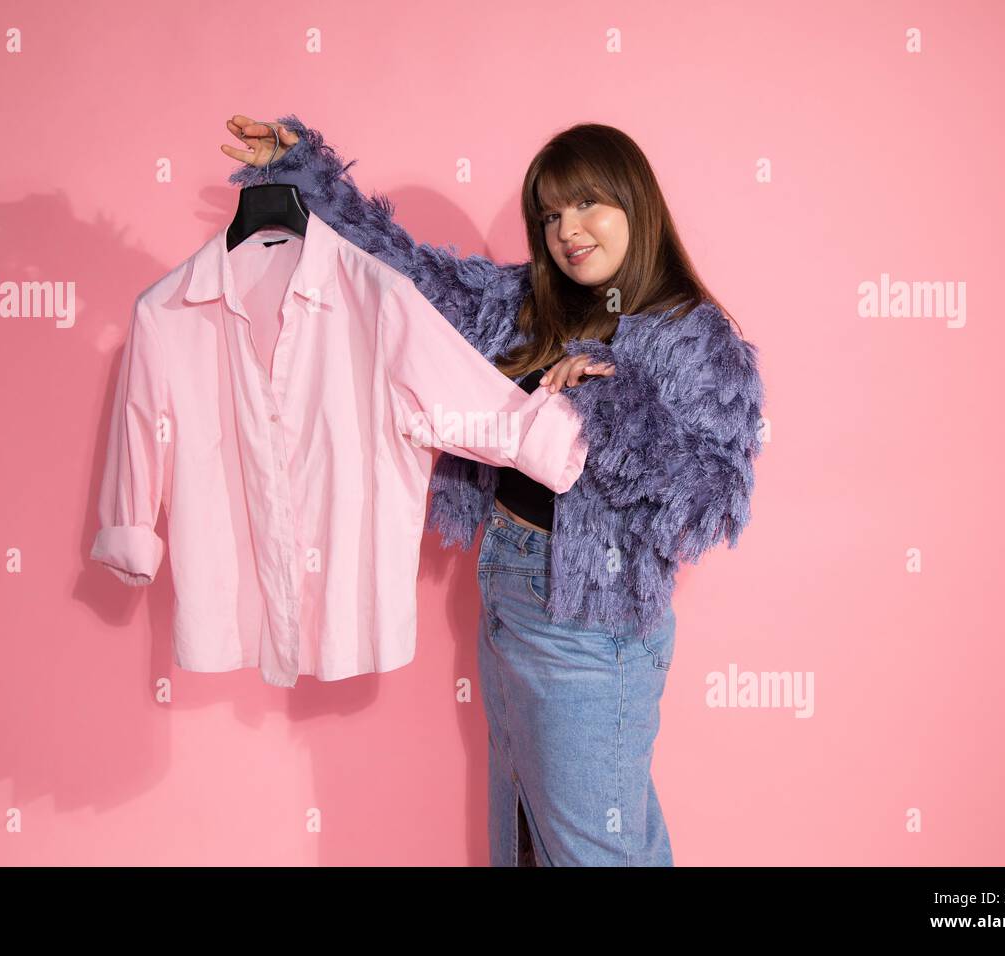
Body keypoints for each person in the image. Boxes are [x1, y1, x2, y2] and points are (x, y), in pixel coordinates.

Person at [220, 115, 766, 866]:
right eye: (548, 215)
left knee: (593, 851)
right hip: (506, 590)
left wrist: (616, 403)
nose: (566, 230)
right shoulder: (530, 302)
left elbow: (715, 497)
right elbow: (409, 275)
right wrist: (304, 172)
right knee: (526, 844)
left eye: (586, 205)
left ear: (637, 205)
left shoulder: (694, 335)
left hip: (590, 626)